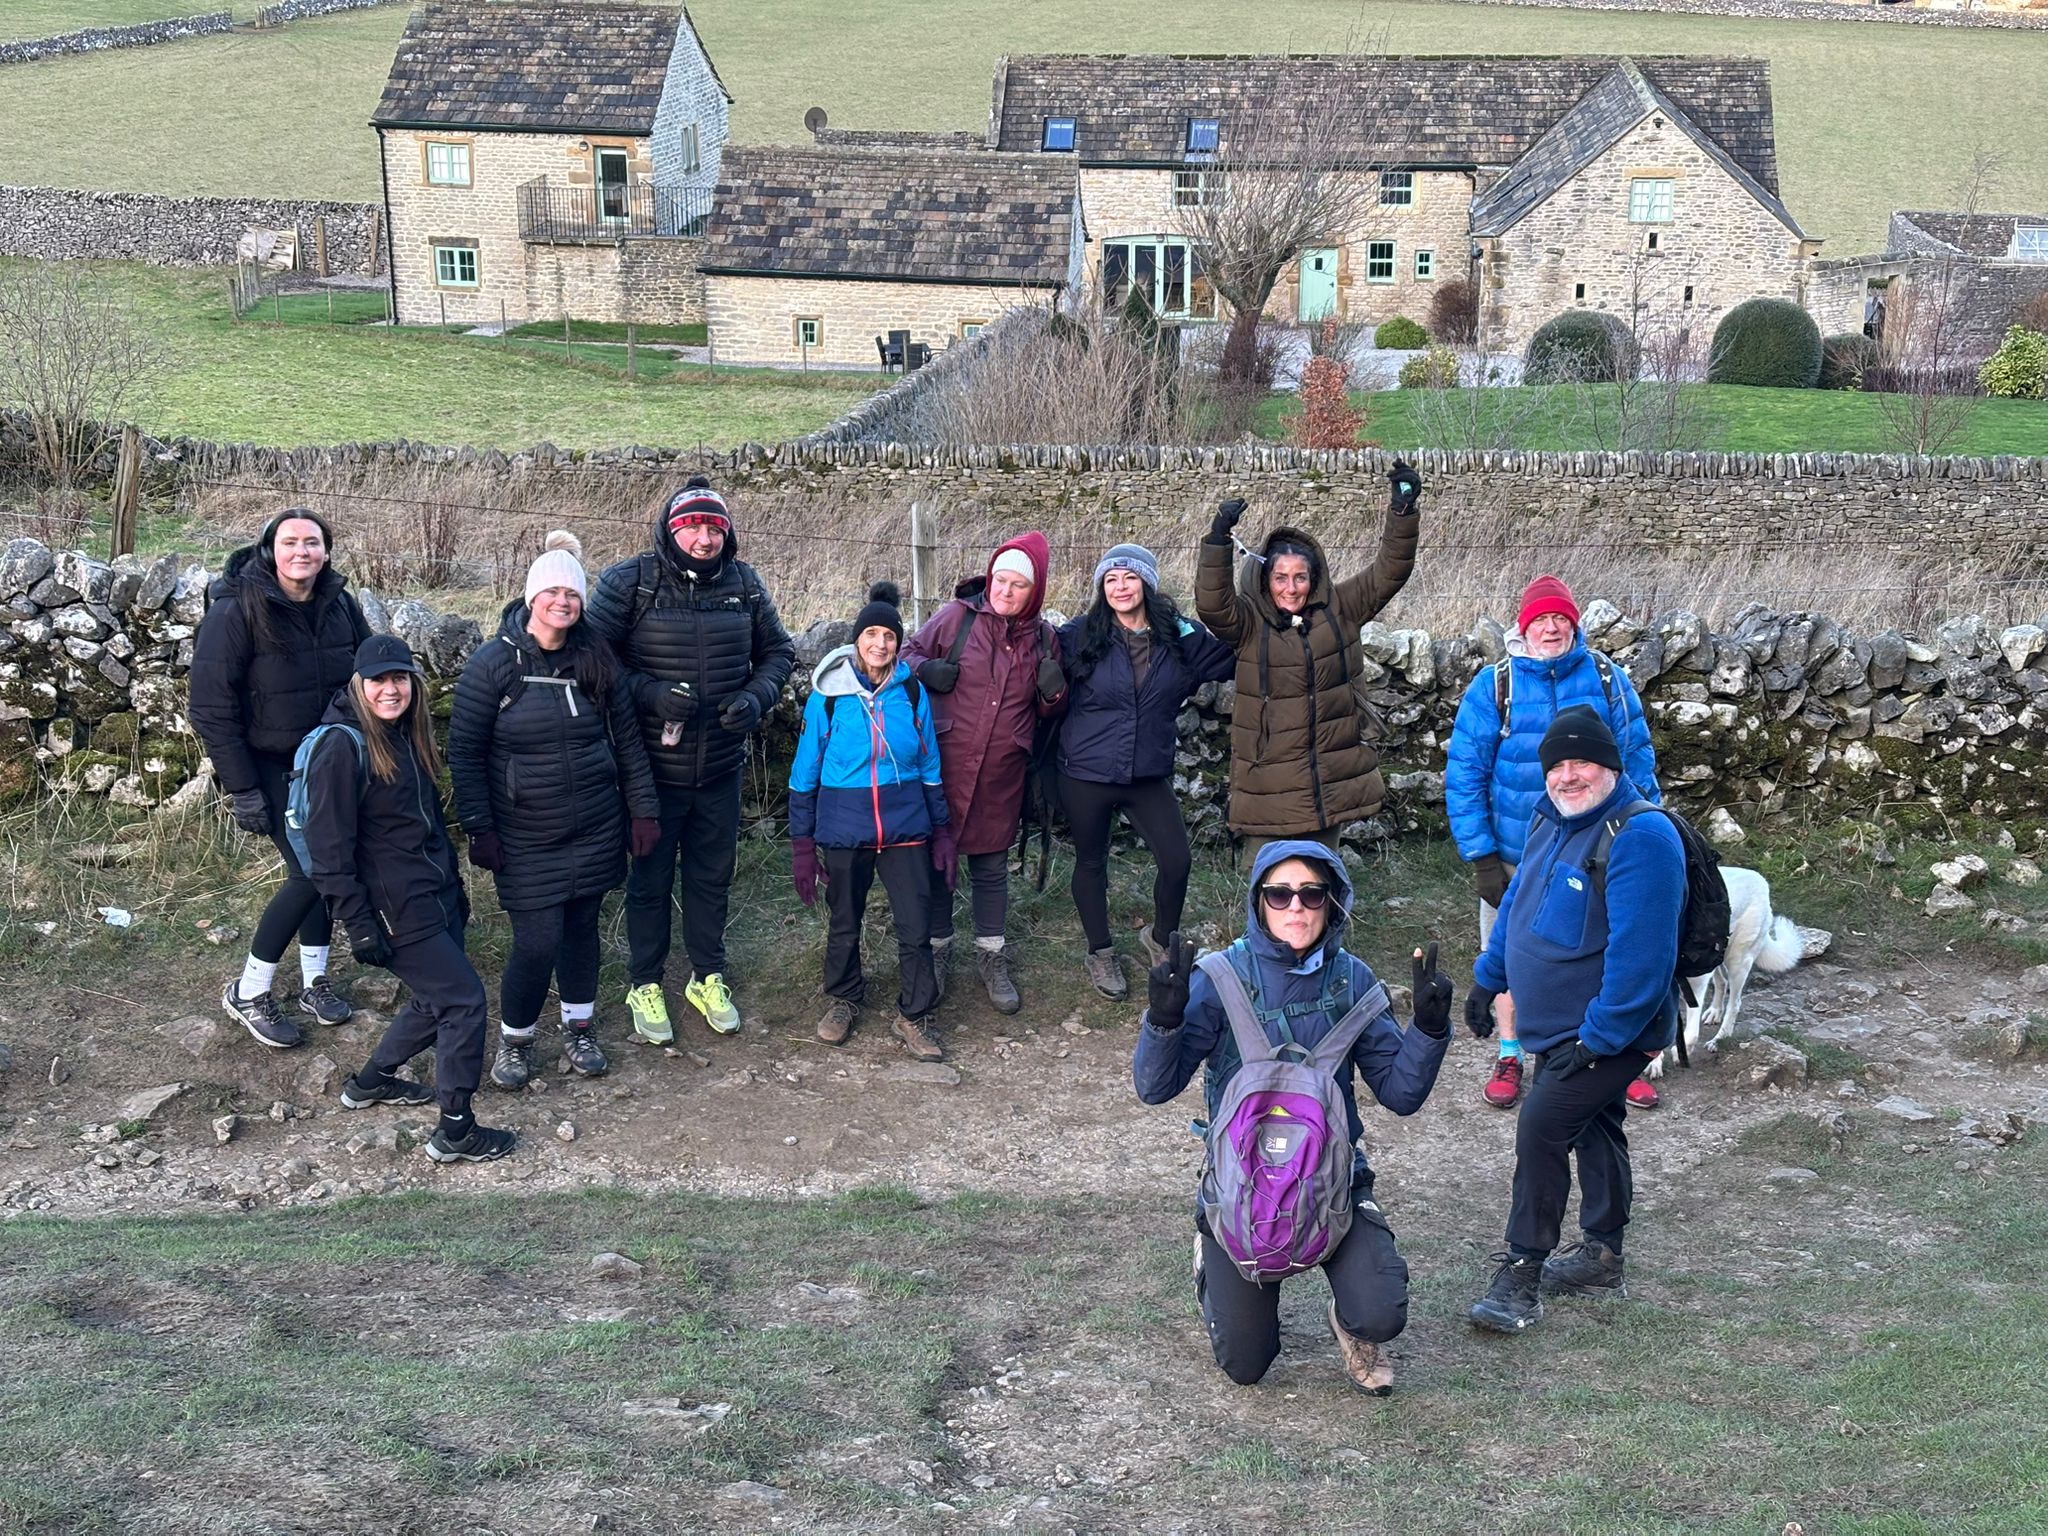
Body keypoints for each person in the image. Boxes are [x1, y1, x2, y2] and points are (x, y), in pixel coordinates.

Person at [1134, 840, 1452, 1393]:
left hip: (1333, 1180)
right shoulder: (1218, 977)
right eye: (1280, 894)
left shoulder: (1352, 979)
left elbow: (1401, 1095)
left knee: (1381, 1312)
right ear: (1260, 902)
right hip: (1243, 1186)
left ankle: (1355, 1327)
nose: (1296, 908)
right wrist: (1163, 1020)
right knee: (1246, 1365)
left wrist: (1427, 1028)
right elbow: (1155, 1087)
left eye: (1311, 893)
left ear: (1332, 902)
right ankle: (1212, 1246)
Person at [1467, 706, 1682, 1334]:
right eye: (1557, 763)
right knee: (1596, 1125)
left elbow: (1643, 962)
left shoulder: (1642, 837)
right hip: (1566, 1029)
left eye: (1582, 761)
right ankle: (1603, 1255)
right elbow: (1517, 905)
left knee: (1542, 1125)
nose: (1568, 775)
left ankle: (1521, 1274)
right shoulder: (1550, 817)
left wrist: (1595, 1043)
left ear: (1611, 765)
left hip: (1612, 1030)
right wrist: (1490, 977)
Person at [587, 476, 796, 1044]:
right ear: (671, 528)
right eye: (692, 526)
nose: (703, 538)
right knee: (650, 881)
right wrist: (648, 693)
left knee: (711, 878)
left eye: (713, 527)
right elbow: (593, 660)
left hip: (720, 769)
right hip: (650, 771)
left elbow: (779, 652)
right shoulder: (631, 581)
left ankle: (707, 975)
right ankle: (645, 982)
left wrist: (756, 698)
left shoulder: (744, 584)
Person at [447, 532, 659, 1090]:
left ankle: (579, 1028)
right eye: (553, 592)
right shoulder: (494, 665)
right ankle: (515, 1040)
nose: (563, 602)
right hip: (525, 833)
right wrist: (480, 827)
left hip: (594, 823)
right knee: (537, 939)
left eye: (573, 593)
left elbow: (628, 741)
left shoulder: (596, 660)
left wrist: (643, 812)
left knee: (581, 932)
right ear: (531, 597)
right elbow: (464, 752)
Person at [1446, 574, 1663, 1110]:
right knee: (1511, 957)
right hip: (1518, 854)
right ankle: (1511, 1052)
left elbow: (1636, 760)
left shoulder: (1609, 679)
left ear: (1574, 626)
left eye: (1560, 618)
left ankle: (1615, 1054)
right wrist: (1481, 857)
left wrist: (1651, 835)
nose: (1550, 626)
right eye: (1540, 618)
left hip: (1601, 851)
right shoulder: (1495, 687)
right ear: (1524, 627)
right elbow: (1465, 774)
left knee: (1603, 952)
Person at [303, 636, 514, 1163]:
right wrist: (358, 923)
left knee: (433, 999)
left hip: (431, 897)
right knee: (463, 1003)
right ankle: (457, 1130)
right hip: (392, 909)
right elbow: (328, 850)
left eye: (400, 678)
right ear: (360, 684)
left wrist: (456, 894)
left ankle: (369, 1083)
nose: (391, 689)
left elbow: (428, 829)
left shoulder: (405, 735)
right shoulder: (341, 746)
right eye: (379, 680)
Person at [189, 508, 370, 1049]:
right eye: (290, 542)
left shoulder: (339, 605)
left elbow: (363, 677)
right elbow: (210, 705)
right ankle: (249, 989)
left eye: (312, 542)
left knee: (329, 868)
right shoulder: (237, 609)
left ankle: (315, 981)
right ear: (270, 549)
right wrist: (241, 787)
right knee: (312, 872)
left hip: (329, 764)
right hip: (269, 766)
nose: (302, 552)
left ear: (327, 552)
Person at [1195, 463, 1422, 859]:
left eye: (1300, 577)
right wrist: (1219, 539)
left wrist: (1402, 511)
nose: (1291, 587)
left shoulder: (1340, 609)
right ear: (1265, 580)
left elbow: (1390, 572)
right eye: (1280, 577)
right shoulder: (1250, 623)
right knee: (1267, 891)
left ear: (1313, 579)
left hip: (1327, 786)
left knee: (1321, 886)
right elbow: (1213, 606)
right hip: (1268, 787)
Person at [1055, 542, 1234, 999]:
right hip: (1086, 771)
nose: (1120, 587)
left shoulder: (1180, 637)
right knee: (1091, 862)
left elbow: (1234, 658)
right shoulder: (1079, 635)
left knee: (1177, 860)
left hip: (1147, 772)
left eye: (1129, 578)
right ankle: (1100, 952)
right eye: (1110, 579)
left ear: (1147, 584)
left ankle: (1160, 939)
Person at [787, 582, 955, 1059]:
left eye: (889, 636)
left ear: (900, 644)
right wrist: (803, 844)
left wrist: (941, 830)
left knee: (915, 925)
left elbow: (928, 763)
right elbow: (805, 771)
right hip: (844, 826)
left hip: (906, 827)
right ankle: (843, 998)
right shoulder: (830, 696)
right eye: (872, 634)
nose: (880, 644)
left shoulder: (911, 689)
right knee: (845, 920)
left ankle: (915, 1014)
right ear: (856, 639)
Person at [902, 533, 1068, 1015]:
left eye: (1019, 585)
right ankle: (936, 953)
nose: (1007, 592)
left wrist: (1054, 696)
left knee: (991, 868)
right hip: (946, 764)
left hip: (1002, 773)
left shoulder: (1044, 638)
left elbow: (1048, 712)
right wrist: (927, 669)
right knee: (939, 864)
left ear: (1034, 592)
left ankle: (992, 958)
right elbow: (906, 655)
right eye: (1001, 580)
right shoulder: (956, 619)